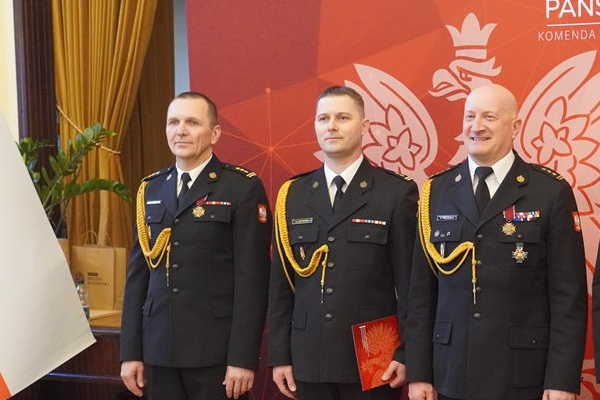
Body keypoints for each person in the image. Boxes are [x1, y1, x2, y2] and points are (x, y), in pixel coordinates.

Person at [406, 84, 587, 400]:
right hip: (450, 373)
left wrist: (562, 379)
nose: (476, 127)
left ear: (515, 127)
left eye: (489, 117)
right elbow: (421, 294)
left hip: (520, 375)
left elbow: (568, 297)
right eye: (470, 116)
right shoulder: (436, 191)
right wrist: (419, 372)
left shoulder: (549, 192)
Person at [268, 86, 419, 400]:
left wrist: (407, 352)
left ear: (364, 127)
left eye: (342, 118)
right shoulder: (293, 195)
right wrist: (280, 354)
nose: (331, 126)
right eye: (323, 118)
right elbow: (281, 285)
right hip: (308, 354)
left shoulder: (394, 193)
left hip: (373, 355)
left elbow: (410, 286)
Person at [119, 91, 272, 400]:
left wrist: (242, 358)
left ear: (214, 133)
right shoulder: (151, 188)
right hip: (158, 350)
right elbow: (138, 277)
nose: (181, 131)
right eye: (173, 122)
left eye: (192, 122)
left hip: (215, 354)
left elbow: (253, 281)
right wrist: (130, 353)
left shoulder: (241, 187)